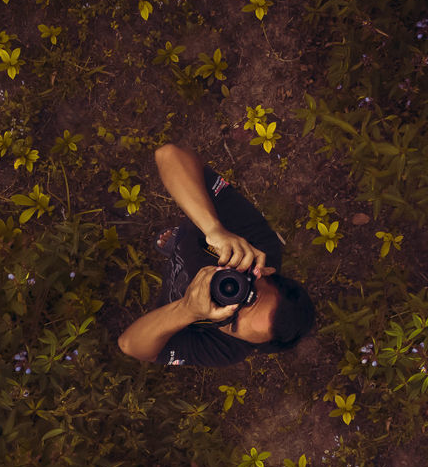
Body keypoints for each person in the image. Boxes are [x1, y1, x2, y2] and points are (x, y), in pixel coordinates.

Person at [116, 143, 315, 367]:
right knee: (190, 238)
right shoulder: (255, 243)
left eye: (232, 321)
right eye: (246, 293)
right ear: (264, 272)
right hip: (200, 238)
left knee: (183, 256)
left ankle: (179, 247)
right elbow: (169, 154)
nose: (228, 299)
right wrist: (214, 229)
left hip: (172, 304)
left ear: (245, 343)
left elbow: (130, 345)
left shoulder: (226, 350)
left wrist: (187, 310)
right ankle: (180, 241)